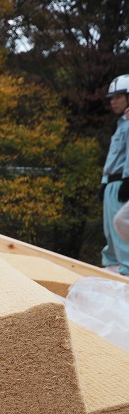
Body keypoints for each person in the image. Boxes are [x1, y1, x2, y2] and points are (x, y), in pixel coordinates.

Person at [99, 74, 129, 275]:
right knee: (110, 233)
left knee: (121, 231)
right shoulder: (121, 124)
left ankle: (127, 271)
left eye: (118, 96)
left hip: (121, 183)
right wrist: (103, 183)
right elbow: (113, 157)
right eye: (111, 97)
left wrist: (128, 179)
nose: (113, 101)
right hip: (111, 183)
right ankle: (110, 269)